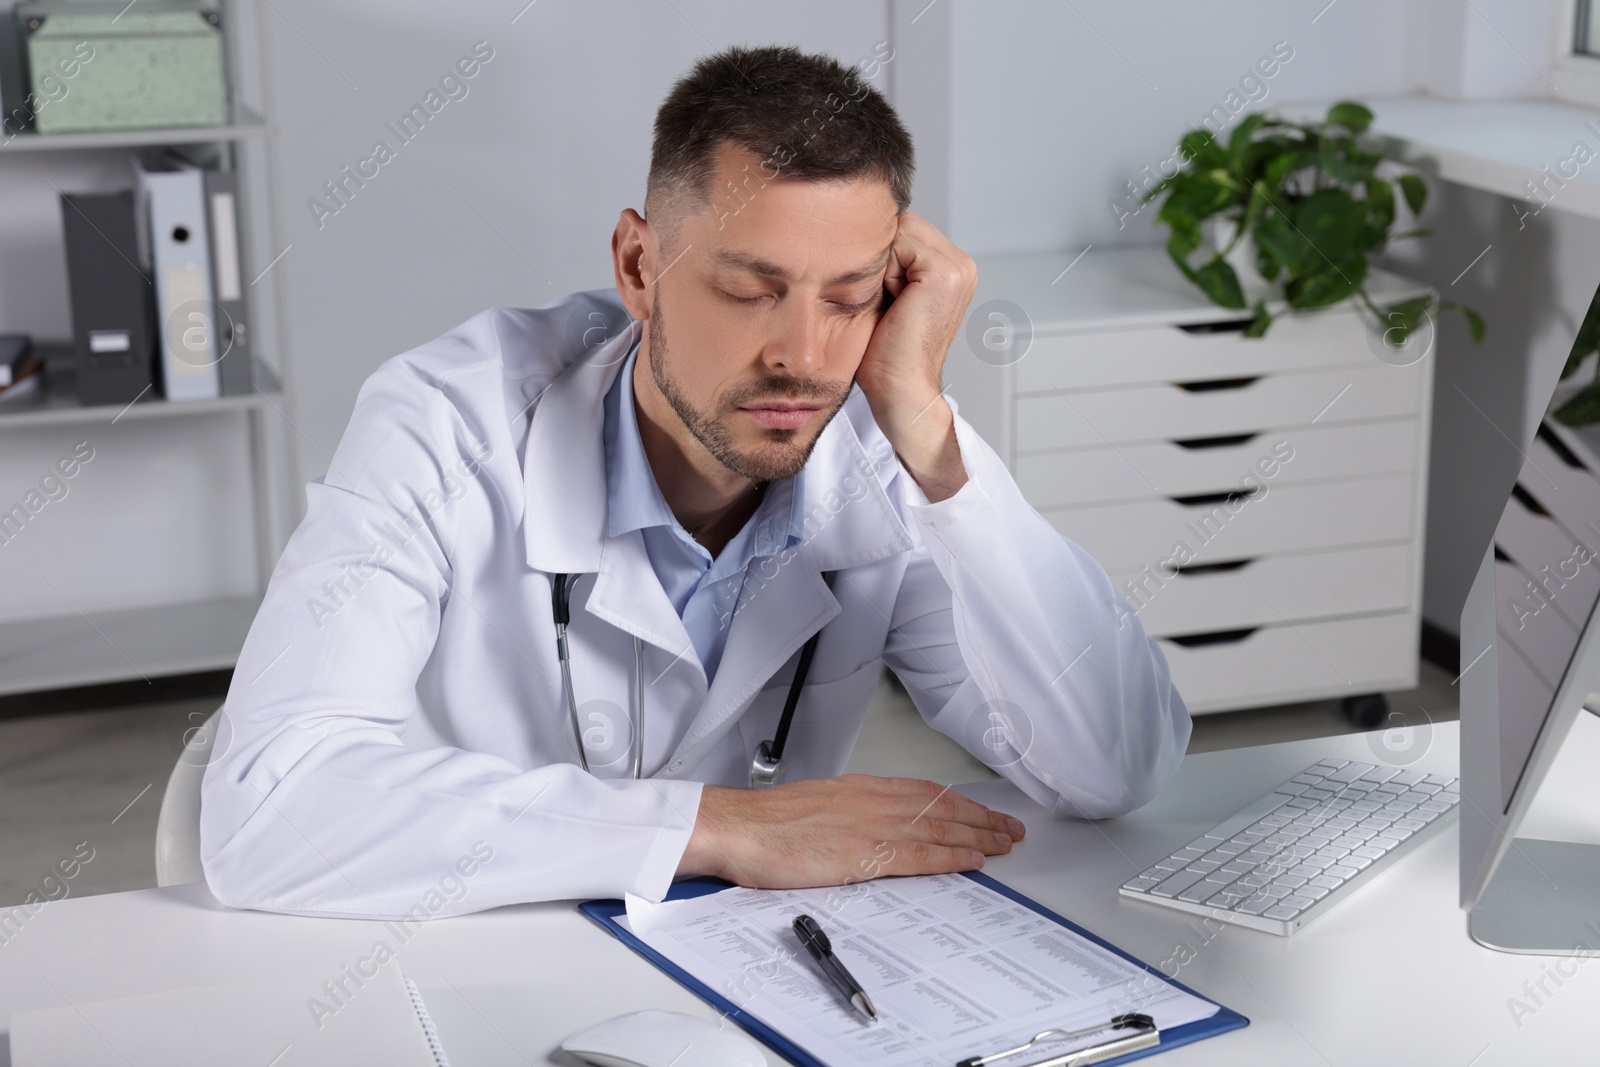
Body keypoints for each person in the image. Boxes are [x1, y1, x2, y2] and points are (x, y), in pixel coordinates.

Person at [200, 44, 1190, 919]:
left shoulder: (883, 451)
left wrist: (929, 431)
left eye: (849, 298)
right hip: (465, 945)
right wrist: (714, 826)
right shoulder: (443, 421)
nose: (803, 356)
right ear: (638, 263)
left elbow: (1114, 762)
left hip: (752, 970)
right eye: (750, 291)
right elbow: (270, 810)